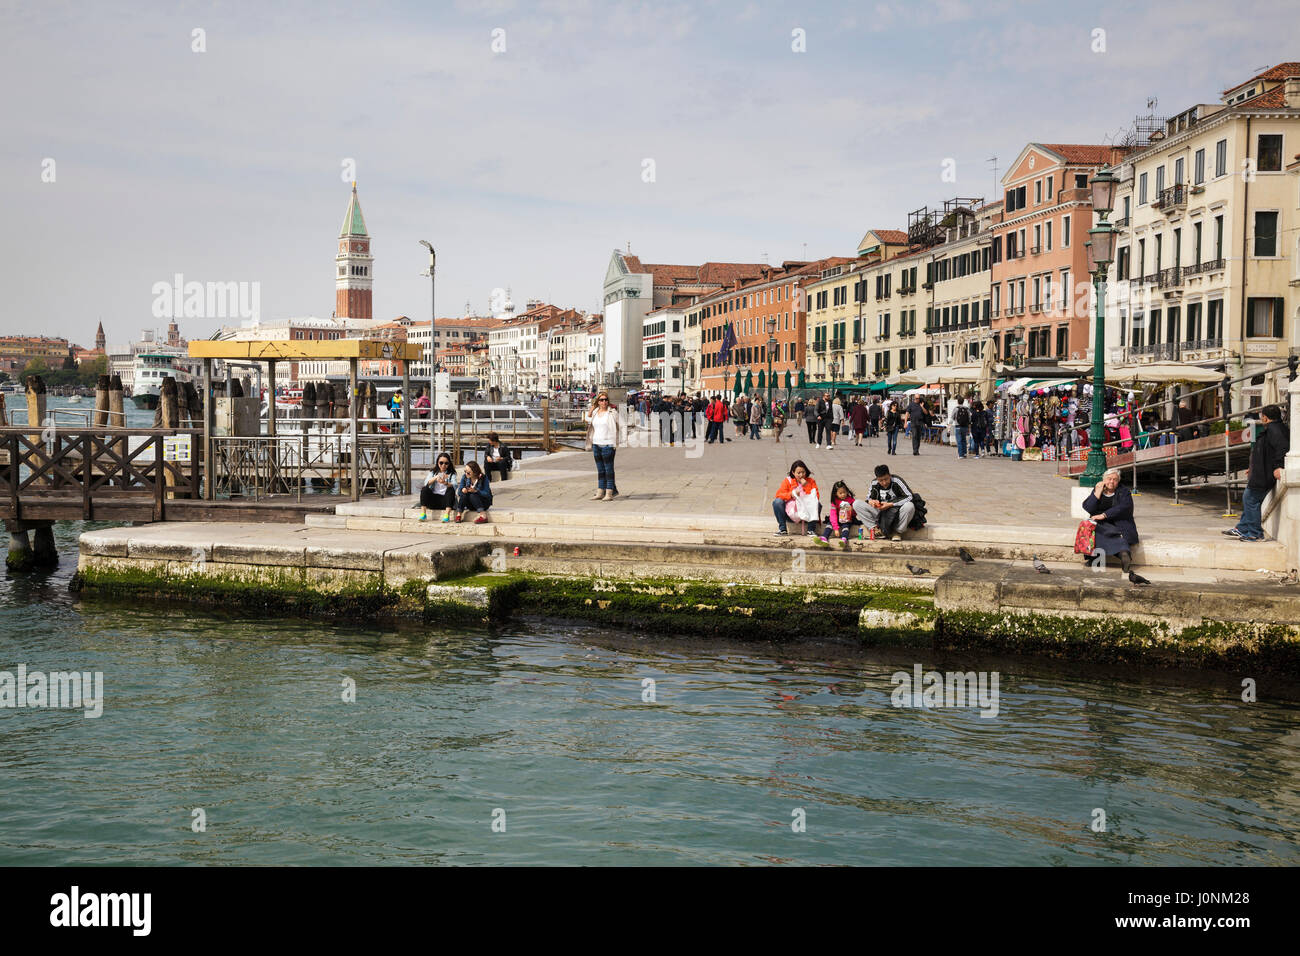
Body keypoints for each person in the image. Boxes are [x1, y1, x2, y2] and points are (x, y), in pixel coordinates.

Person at [1225, 404, 1289, 541]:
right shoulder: (1274, 428)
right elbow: (1264, 452)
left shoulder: (1275, 430)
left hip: (1265, 473)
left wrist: (1279, 467)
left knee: (1251, 499)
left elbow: (1281, 449)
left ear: (1264, 417)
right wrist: (1253, 467)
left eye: (1262, 416)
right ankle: (1242, 528)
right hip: (1261, 470)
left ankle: (1254, 533)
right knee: (1249, 499)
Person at [1082, 467, 1140, 578]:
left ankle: (1124, 556)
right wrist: (1097, 493)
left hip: (1119, 524)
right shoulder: (1098, 489)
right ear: (1104, 479)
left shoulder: (1124, 492)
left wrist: (1104, 515)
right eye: (1109, 479)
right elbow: (1088, 507)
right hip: (1100, 524)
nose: (1111, 482)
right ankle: (1096, 559)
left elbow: (1124, 508)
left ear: (1118, 481)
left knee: (1120, 538)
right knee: (1095, 531)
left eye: (1115, 479)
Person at [853, 464, 918, 541]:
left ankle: (897, 532)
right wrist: (871, 502)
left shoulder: (897, 481)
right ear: (877, 479)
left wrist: (891, 504)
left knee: (909, 506)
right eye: (881, 480)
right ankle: (876, 530)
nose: (884, 483)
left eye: (886, 479)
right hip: (880, 512)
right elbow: (868, 498)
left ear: (890, 475)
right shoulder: (874, 483)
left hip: (896, 512)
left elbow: (909, 496)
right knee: (856, 504)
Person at [585, 390, 622, 501]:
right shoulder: (596, 412)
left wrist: (619, 439)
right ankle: (600, 491)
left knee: (608, 469)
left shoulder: (612, 413)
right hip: (596, 444)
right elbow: (588, 417)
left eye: (606, 400)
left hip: (608, 444)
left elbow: (623, 425)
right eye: (601, 400)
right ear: (598, 402)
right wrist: (593, 407)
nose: (604, 402)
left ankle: (609, 493)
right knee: (600, 470)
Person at [771, 459, 820, 537]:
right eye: (798, 473)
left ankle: (811, 530)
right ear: (793, 473)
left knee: (818, 504)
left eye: (803, 472)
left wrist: (806, 486)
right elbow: (779, 494)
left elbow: (816, 497)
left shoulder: (811, 481)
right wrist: (792, 494)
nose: (801, 475)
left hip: (806, 514)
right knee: (777, 502)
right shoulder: (788, 481)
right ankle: (782, 529)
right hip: (790, 514)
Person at [418, 452, 457, 522]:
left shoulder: (451, 474)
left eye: (446, 463)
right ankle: (423, 514)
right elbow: (426, 483)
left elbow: (455, 485)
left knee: (451, 489)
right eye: (441, 463)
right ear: (438, 463)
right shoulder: (433, 472)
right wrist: (435, 477)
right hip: (433, 500)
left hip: (446, 501)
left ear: (449, 464)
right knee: (424, 489)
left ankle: (446, 515)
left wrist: (445, 482)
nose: (443, 465)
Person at [824, 480, 861, 546]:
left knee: (846, 526)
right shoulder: (835, 502)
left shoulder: (851, 500)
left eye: (844, 492)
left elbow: (855, 514)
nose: (843, 494)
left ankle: (844, 539)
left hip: (847, 519)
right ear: (836, 494)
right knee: (829, 524)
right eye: (840, 493)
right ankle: (824, 537)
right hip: (837, 518)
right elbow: (833, 515)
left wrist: (852, 510)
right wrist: (836, 528)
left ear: (847, 491)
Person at [953, 395, 971, 459]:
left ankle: (960, 455)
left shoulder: (956, 409)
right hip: (965, 427)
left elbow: (952, 417)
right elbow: (969, 418)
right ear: (963, 402)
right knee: (964, 440)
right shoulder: (967, 409)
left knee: (959, 441)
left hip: (958, 426)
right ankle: (965, 453)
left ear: (958, 402)